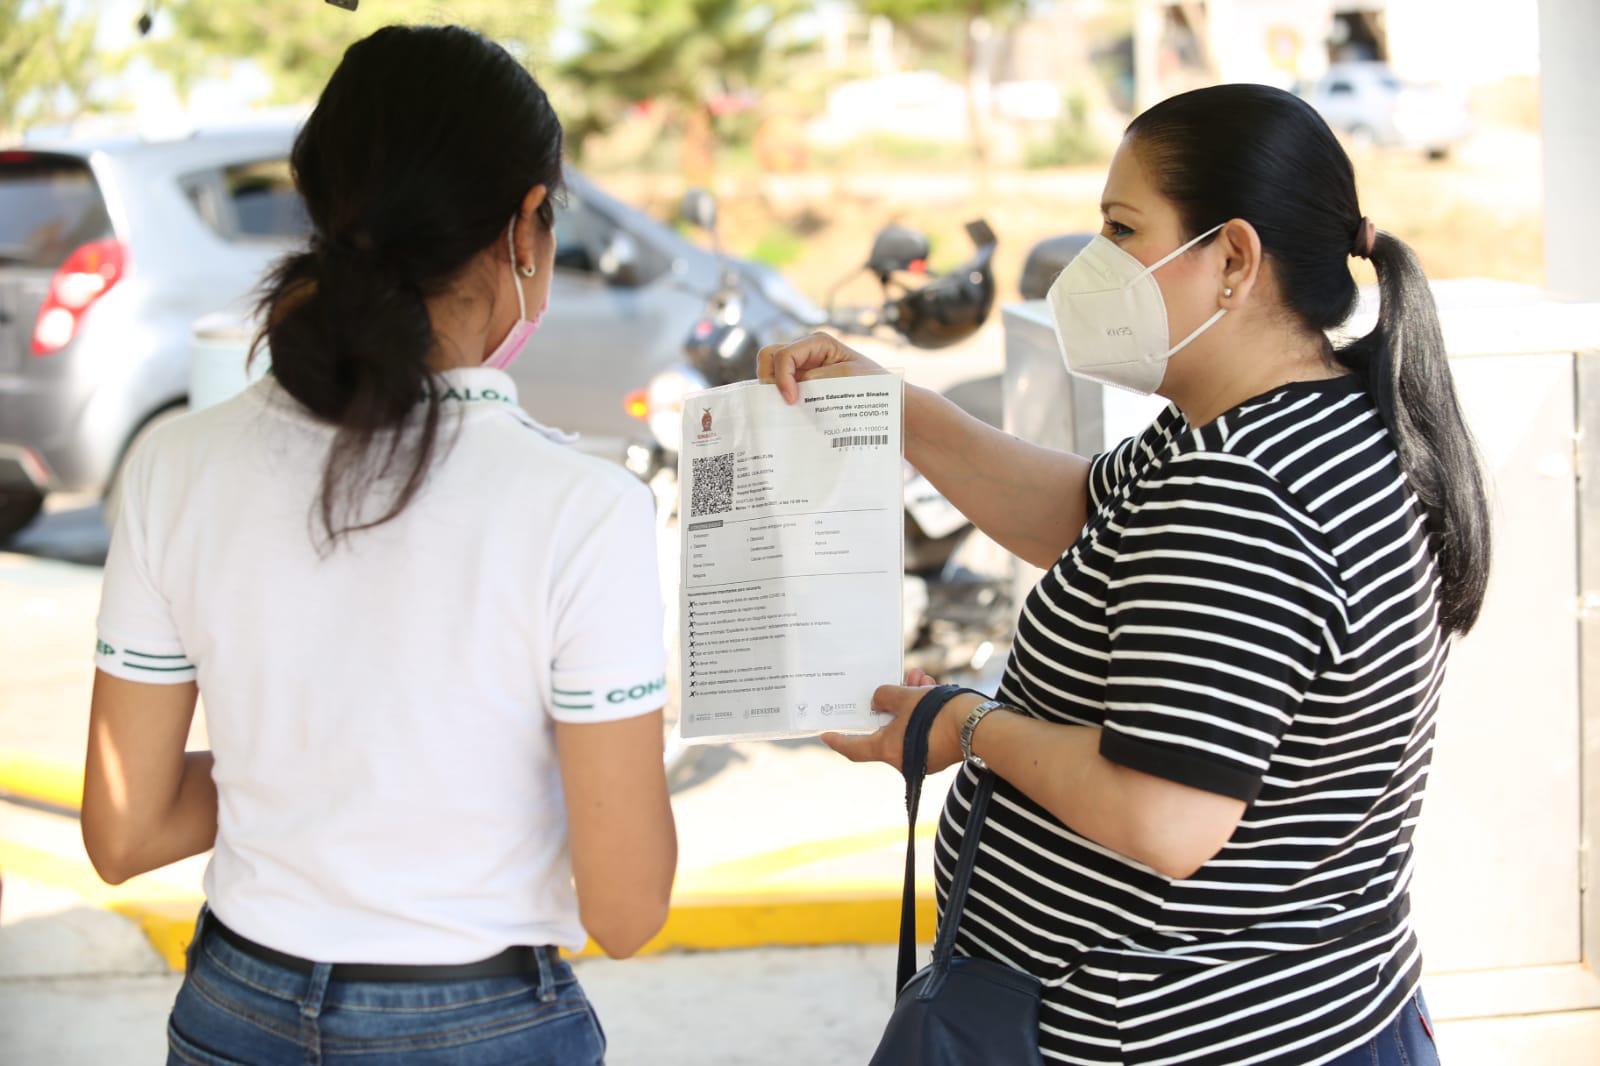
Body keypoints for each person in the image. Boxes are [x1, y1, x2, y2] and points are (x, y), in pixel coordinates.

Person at [761, 83, 1484, 1065]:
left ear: (1231, 258)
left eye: (1121, 228)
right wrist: (895, 409)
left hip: (1189, 1029)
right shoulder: (1297, 422)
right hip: (1315, 1007)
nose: (1091, 263)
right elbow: (1077, 514)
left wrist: (969, 726)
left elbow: (1164, 813)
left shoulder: (1241, 489)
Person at [80, 26, 675, 1065]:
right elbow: (625, 908)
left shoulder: (176, 464)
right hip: (479, 1026)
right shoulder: (582, 509)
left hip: (233, 1008)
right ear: (524, 224)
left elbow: (123, 832)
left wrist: (307, 768)